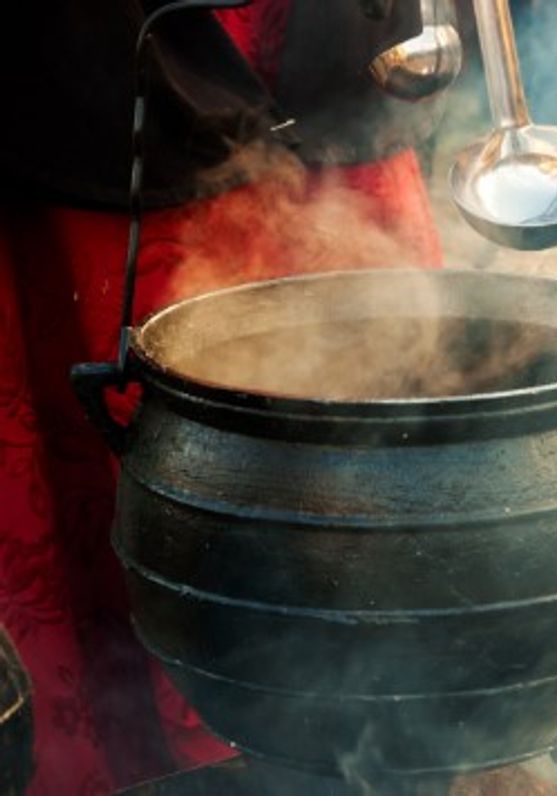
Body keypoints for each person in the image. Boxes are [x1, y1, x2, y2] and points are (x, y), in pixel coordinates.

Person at [0, 2, 443, 792]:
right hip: (99, 101)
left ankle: (389, 729)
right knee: (168, 427)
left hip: (323, 49)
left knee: (388, 410)